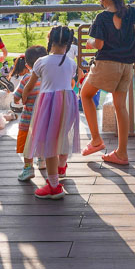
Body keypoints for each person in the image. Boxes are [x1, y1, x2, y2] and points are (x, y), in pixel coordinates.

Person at [81, 0, 135, 165]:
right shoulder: (130, 11)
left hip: (107, 64)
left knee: (85, 95)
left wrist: (89, 42)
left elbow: (98, 44)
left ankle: (96, 140)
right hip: (126, 66)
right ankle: (121, 153)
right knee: (120, 106)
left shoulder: (101, 18)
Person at [20, 27, 81, 199]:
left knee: (49, 143)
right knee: (62, 135)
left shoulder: (41, 62)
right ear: (68, 43)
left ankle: (54, 186)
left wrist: (24, 97)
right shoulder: (71, 63)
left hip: (48, 104)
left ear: (50, 41)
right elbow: (69, 80)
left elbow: (30, 85)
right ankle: (62, 165)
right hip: (68, 102)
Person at [12, 45, 46, 181]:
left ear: (27, 64)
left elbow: (16, 97)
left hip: (28, 120)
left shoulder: (27, 78)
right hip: (45, 119)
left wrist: (19, 100)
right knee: (43, 141)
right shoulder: (49, 78)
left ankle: (28, 168)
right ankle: (42, 161)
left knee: (27, 144)